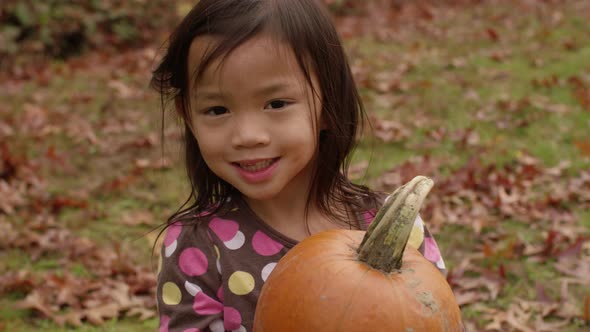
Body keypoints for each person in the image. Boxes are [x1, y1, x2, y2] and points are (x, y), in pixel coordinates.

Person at [151, 0, 447, 331]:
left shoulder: (392, 231)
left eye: (276, 104)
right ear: (187, 114)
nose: (248, 136)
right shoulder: (199, 249)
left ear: (327, 103)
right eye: (217, 110)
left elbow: (437, 318)